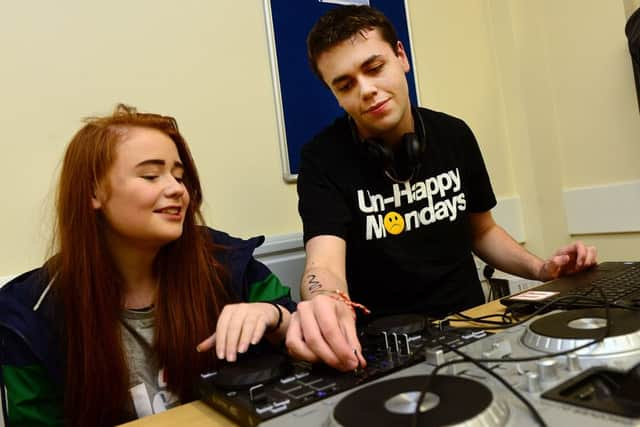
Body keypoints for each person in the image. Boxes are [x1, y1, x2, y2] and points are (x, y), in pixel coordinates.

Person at [285, 5, 597, 372]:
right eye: (346, 84)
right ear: (335, 96)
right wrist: (326, 297)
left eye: (374, 68)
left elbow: (483, 231)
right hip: (387, 346)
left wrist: (541, 268)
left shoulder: (454, 134)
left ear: (401, 56)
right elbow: (323, 263)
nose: (366, 90)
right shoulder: (322, 158)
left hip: (475, 324)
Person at [0, 104, 296, 426]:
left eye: (179, 176)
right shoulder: (30, 314)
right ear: (92, 193)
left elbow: (310, 347)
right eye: (151, 176)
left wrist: (276, 317)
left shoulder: (226, 263)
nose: (176, 189)